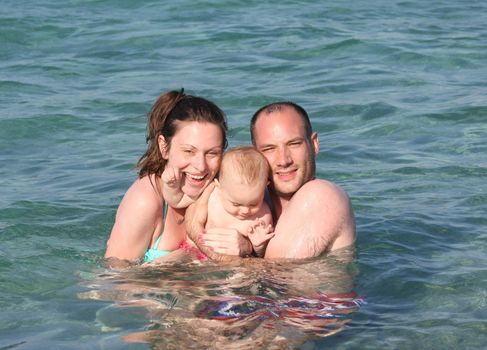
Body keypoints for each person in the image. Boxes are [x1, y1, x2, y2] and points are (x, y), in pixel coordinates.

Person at [186, 101, 356, 260]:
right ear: (255, 155)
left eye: (294, 144)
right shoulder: (253, 200)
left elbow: (281, 278)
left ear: (314, 144)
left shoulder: (321, 195)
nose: (284, 160)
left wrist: (246, 248)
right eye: (269, 148)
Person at [104, 89, 228, 265]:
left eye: (212, 153)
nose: (201, 166)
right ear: (164, 147)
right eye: (188, 151)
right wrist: (190, 253)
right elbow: (113, 278)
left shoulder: (226, 191)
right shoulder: (146, 200)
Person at [206, 146, 274, 257]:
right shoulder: (212, 198)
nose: (245, 210)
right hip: (202, 253)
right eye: (236, 204)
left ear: (265, 188)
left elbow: (263, 255)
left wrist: (259, 247)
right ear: (219, 187)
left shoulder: (262, 217)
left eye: (254, 204)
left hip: (237, 263)